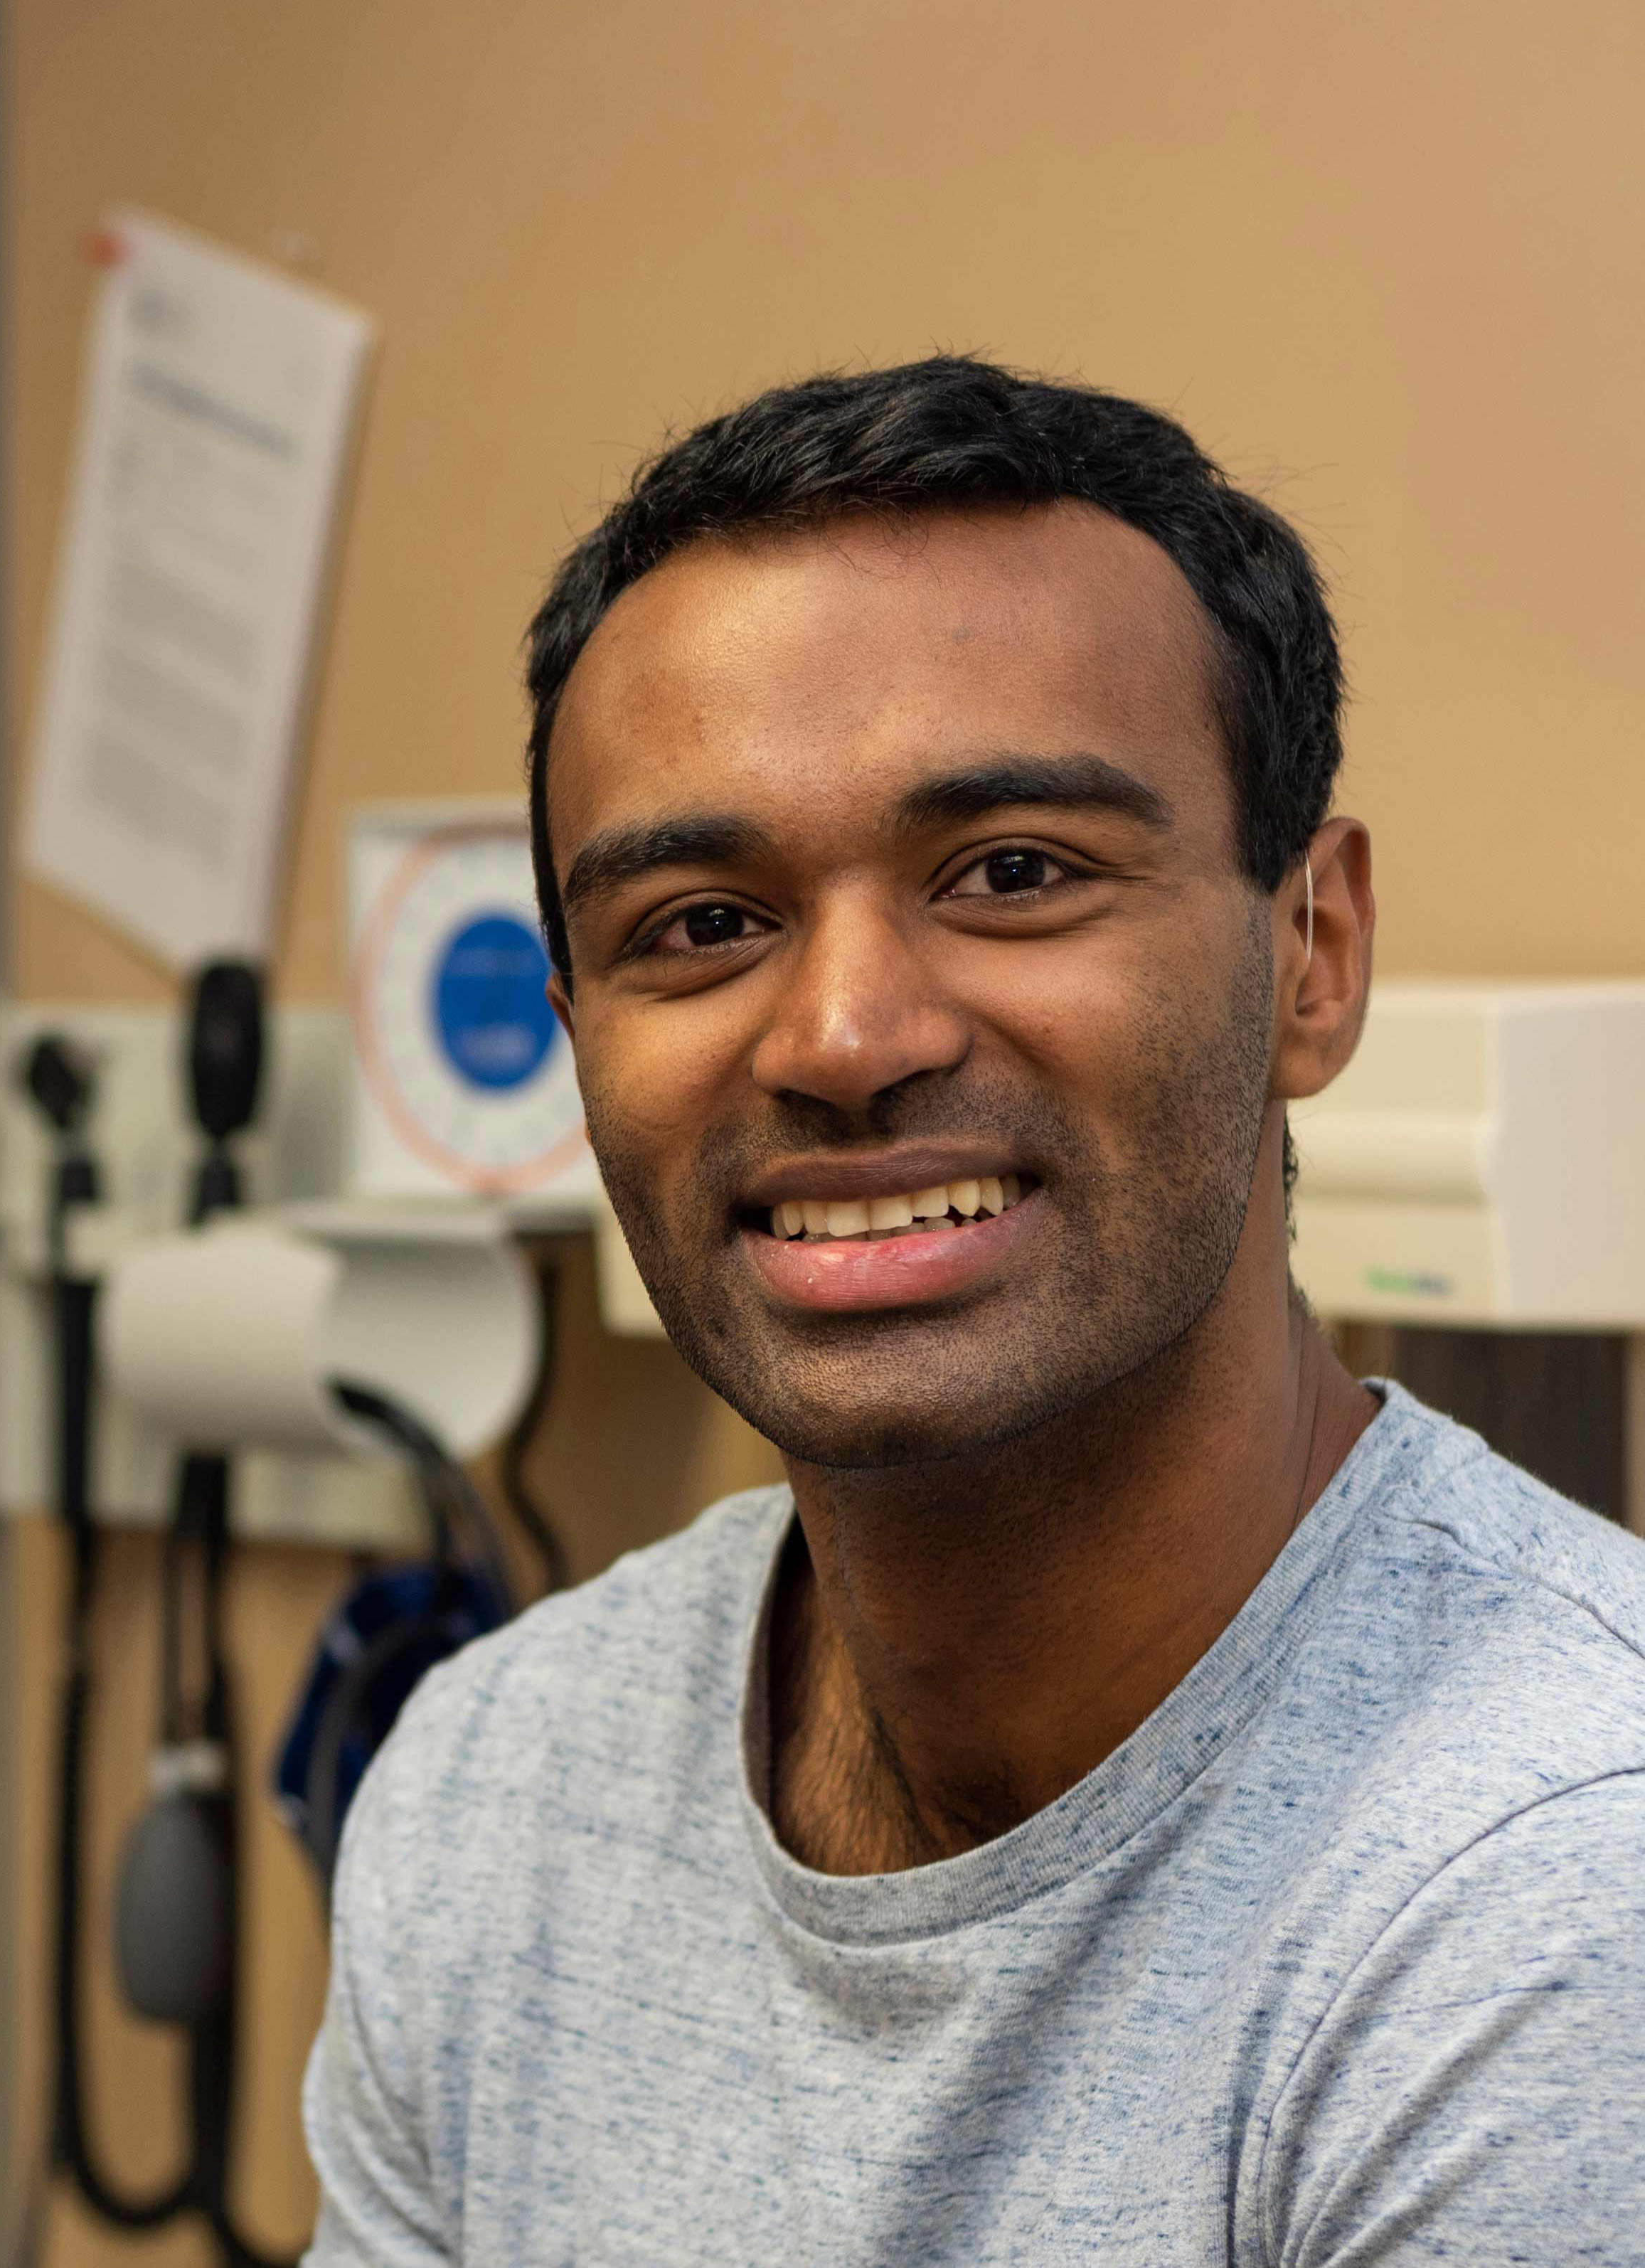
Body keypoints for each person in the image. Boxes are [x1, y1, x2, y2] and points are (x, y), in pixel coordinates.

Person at [302, 358, 1645, 2264]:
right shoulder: (498, 1793)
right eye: (699, 922)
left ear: (1313, 956)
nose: (846, 1037)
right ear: (576, 1029)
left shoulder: (1560, 1877)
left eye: (1014, 875)